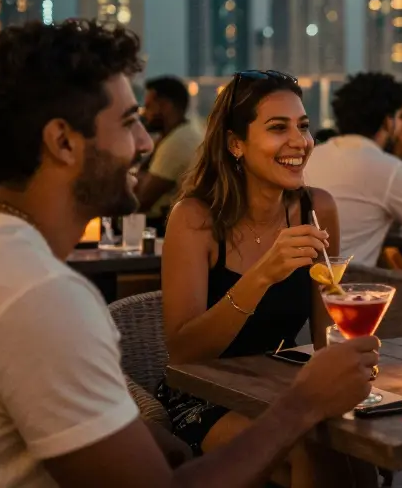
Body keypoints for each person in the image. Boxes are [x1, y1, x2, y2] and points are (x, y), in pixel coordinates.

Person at [0, 20, 381, 488]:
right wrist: (301, 406)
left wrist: (143, 436)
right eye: (129, 121)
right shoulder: (38, 296)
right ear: (63, 142)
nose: (147, 142)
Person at [156, 69, 374, 486]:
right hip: (205, 394)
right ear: (235, 143)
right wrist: (262, 275)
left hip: (281, 384)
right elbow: (183, 352)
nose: (300, 142)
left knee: (352, 447)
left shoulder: (317, 208)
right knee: (309, 449)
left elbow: (327, 332)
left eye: (304, 127)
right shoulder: (195, 219)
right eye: (278, 128)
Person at [306, 72, 402, 270]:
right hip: (349, 290)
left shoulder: (311, 158)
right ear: (388, 121)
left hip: (302, 286)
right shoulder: (389, 170)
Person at [136, 75, 203, 230]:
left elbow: (141, 200)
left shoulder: (178, 142)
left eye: (148, 107)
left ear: (165, 106)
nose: (145, 114)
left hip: (163, 229)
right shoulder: (181, 133)